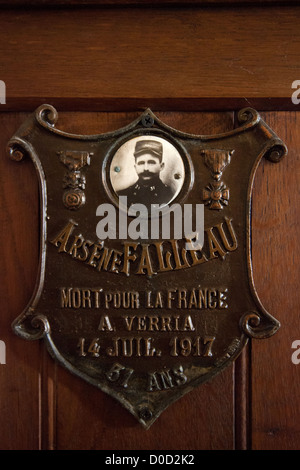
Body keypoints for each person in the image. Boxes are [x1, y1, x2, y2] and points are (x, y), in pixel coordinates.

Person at [117, 140, 174, 208]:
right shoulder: (122, 195)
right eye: (141, 163)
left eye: (151, 162)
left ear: (161, 166)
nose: (146, 168)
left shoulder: (170, 194)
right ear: (135, 167)